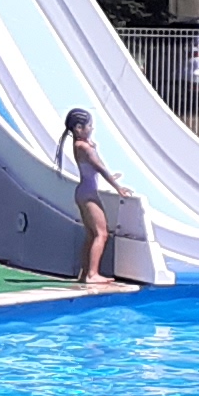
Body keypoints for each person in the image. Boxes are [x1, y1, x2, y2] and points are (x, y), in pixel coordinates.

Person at [60, 107, 121, 289]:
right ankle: (92, 274)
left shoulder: (79, 145)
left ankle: (85, 272)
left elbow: (92, 169)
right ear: (79, 128)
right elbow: (100, 167)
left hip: (83, 192)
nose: (92, 129)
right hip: (88, 194)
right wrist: (118, 187)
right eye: (89, 126)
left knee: (91, 234)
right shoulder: (84, 147)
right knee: (102, 234)